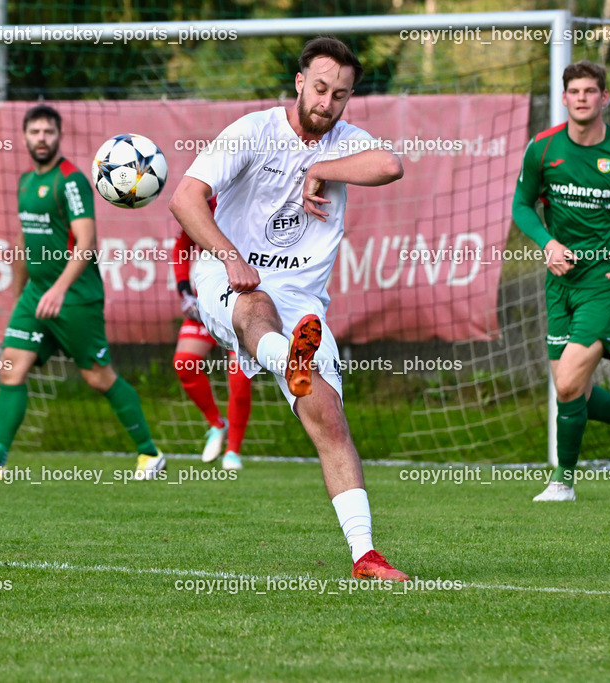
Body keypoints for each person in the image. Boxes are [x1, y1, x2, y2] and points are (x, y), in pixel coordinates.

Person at [169, 37, 408, 580]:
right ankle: (288, 358)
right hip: (231, 275)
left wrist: (323, 166)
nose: (327, 103)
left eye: (340, 95)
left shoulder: (347, 141)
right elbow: (184, 198)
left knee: (328, 418)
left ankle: (364, 555)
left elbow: (390, 165)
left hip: (302, 297)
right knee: (255, 308)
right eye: (320, 88)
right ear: (299, 81)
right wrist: (228, 258)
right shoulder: (252, 131)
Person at [0, 105, 164, 480]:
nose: (42, 138)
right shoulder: (25, 182)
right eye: (35, 132)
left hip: (76, 296)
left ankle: (149, 454)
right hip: (36, 295)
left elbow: (86, 241)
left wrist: (60, 290)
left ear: (59, 136)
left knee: (99, 377)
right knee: (10, 367)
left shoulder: (72, 180)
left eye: (49, 131)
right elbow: (22, 242)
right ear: (25, 137)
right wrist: (19, 295)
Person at [512, 60, 610, 502]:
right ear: (564, 98)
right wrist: (546, 243)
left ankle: (563, 482)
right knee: (571, 384)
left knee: (566, 386)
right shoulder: (542, 149)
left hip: (606, 279)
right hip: (560, 279)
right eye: (574, 91)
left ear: (604, 97)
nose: (582, 97)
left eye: (590, 91)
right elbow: (522, 205)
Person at [173, 209, 252, 470]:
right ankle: (218, 424)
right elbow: (182, 247)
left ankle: (233, 452)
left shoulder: (255, 198)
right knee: (184, 363)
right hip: (207, 299)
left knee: (239, 377)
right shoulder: (202, 201)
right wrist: (184, 289)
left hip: (242, 299)